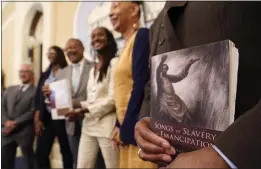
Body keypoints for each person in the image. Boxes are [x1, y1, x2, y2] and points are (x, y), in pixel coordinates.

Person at [135, 1, 261, 168]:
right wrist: (147, 125)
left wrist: (226, 154)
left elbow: (180, 75)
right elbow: (152, 83)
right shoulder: (158, 22)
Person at [42, 39, 105, 169]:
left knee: (98, 163)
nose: (70, 51)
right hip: (71, 124)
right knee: (78, 162)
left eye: (73, 47)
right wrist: (49, 96)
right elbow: (58, 101)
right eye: (67, 49)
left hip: (93, 120)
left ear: (82, 48)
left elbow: (100, 95)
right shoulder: (61, 73)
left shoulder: (95, 67)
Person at [109, 1, 157, 168]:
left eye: (115, 5)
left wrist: (127, 129)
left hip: (137, 129)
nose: (110, 12)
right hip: (126, 128)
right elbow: (123, 89)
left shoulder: (142, 36)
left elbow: (141, 85)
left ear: (134, 9)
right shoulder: (125, 46)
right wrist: (117, 125)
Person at [66, 27, 119, 168]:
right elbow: (92, 100)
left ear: (108, 39)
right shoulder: (92, 69)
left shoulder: (114, 63)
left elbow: (113, 100)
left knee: (112, 166)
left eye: (100, 35)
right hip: (88, 125)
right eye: (93, 36)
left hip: (107, 126)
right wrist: (77, 106)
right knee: (82, 166)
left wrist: (83, 110)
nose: (96, 39)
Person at [34, 46, 73, 169]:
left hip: (64, 116)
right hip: (47, 117)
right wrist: (37, 118)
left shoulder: (68, 70)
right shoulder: (45, 74)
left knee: (66, 151)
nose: (49, 55)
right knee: (41, 152)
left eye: (52, 52)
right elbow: (38, 97)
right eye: (48, 53)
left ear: (59, 54)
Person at [2, 64, 36, 169]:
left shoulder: (35, 91)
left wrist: (15, 123)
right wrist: (6, 122)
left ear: (31, 74)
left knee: (28, 161)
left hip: (24, 130)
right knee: (4, 160)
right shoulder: (10, 89)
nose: (23, 74)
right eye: (21, 71)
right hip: (7, 131)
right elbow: (2, 108)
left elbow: (32, 111)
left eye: (26, 71)